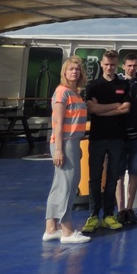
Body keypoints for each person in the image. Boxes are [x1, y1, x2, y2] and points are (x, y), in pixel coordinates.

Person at [43, 56, 90, 244]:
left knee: (59, 185)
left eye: (77, 69)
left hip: (72, 142)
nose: (74, 72)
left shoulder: (75, 93)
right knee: (69, 185)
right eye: (71, 69)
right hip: (65, 142)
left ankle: (50, 228)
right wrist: (59, 150)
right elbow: (58, 122)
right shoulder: (62, 92)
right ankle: (67, 230)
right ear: (64, 72)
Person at [82, 49, 129, 234]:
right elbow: (92, 109)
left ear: (117, 65)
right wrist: (115, 106)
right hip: (97, 137)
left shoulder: (123, 84)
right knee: (94, 177)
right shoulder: (93, 85)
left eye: (113, 65)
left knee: (113, 177)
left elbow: (126, 108)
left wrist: (102, 109)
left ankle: (109, 214)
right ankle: (93, 215)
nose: (109, 67)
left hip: (117, 137)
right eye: (107, 64)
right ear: (101, 64)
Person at [116, 53, 137, 225]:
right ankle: (120, 210)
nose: (132, 68)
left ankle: (129, 208)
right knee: (119, 174)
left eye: (134, 65)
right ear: (123, 66)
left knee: (134, 173)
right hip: (119, 136)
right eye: (129, 65)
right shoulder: (117, 82)